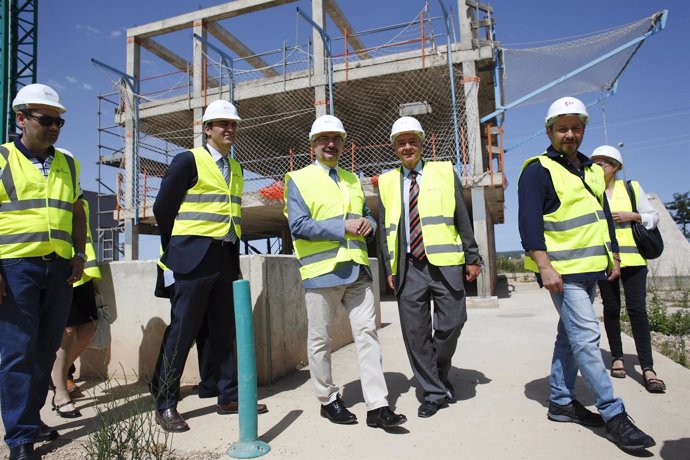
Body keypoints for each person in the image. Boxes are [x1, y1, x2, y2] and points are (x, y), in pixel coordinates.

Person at [517, 96, 655, 452]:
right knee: (587, 339)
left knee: (570, 336)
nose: (570, 134)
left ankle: (562, 402)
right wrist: (544, 266)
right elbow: (529, 223)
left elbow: (602, 216)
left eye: (576, 127)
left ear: (583, 130)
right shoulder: (537, 169)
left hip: (592, 268)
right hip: (562, 273)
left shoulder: (592, 169)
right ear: (549, 131)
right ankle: (614, 413)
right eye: (562, 128)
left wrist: (614, 257)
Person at [151, 99, 267, 433]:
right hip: (193, 257)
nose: (229, 129)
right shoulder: (189, 160)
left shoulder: (237, 167)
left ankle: (227, 394)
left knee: (224, 331)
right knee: (182, 331)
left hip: (226, 256)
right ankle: (165, 402)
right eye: (222, 125)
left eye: (233, 125)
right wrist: (175, 249)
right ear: (207, 129)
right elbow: (163, 209)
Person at [284, 114, 406, 429]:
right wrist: (343, 227)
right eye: (324, 139)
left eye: (336, 139)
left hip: (358, 272)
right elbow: (298, 226)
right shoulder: (298, 179)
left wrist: (370, 224)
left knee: (367, 335)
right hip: (321, 273)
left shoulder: (353, 179)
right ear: (313, 144)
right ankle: (327, 400)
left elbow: (367, 217)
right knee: (320, 340)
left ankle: (378, 406)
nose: (331, 144)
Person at [0, 84, 87, 460]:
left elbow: (78, 211)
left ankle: (30, 420)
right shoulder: (3, 159)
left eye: (59, 121)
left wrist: (80, 254)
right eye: (46, 119)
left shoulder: (68, 163)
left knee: (46, 349)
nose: (54, 127)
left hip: (59, 267)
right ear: (21, 119)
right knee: (17, 352)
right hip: (15, 266)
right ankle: (20, 439)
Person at [377, 116, 481, 418]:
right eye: (401, 142)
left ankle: (437, 370)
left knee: (452, 322)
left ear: (422, 144)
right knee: (415, 333)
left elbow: (462, 216)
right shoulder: (386, 181)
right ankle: (434, 392)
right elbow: (386, 230)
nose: (407, 147)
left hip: (445, 263)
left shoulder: (443, 171)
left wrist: (473, 256)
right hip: (408, 267)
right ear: (394, 148)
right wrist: (389, 268)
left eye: (412, 141)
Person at [590, 145, 665, 393]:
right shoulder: (591, 191)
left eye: (604, 163)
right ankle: (618, 358)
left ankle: (647, 367)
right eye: (596, 163)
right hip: (606, 261)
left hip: (634, 261)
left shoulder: (631, 188)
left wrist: (633, 216)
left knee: (637, 311)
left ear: (616, 166)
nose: (599, 167)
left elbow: (653, 217)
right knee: (611, 310)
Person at [49, 193, 101, 418]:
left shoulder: (83, 203)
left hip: (83, 272)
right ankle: (60, 390)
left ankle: (51, 376)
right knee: (67, 331)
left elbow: (85, 238)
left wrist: (94, 276)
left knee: (88, 329)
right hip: (62, 270)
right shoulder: (52, 199)